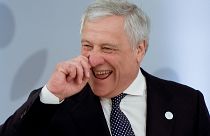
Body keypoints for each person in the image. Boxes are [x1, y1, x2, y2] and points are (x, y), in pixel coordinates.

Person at [0, 0, 209, 136]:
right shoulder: (54, 104)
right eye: (87, 46)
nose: (93, 60)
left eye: (107, 48)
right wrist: (51, 94)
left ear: (140, 49)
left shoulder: (189, 104)